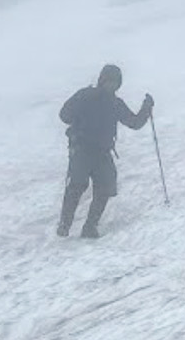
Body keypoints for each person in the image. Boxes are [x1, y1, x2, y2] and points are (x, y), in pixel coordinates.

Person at [56, 64, 153, 238]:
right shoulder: (99, 99)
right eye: (110, 81)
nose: (112, 85)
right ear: (102, 80)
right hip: (83, 148)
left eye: (115, 82)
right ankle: (66, 224)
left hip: (98, 151)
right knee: (79, 185)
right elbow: (64, 116)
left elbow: (134, 122)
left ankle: (88, 226)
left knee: (104, 187)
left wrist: (146, 108)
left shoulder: (102, 100)